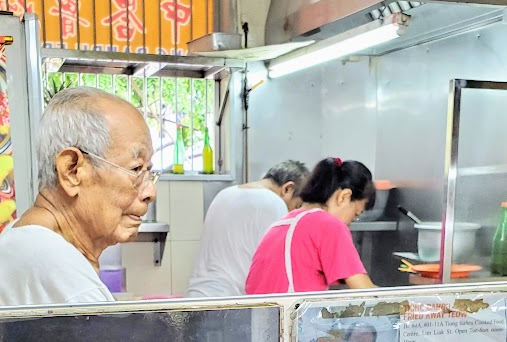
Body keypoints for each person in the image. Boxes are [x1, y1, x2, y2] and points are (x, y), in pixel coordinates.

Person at [0, 87, 157, 307]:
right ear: (71, 170)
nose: (150, 192)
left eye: (149, 170)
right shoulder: (62, 277)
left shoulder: (23, 237)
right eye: (136, 169)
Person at [245, 157, 376, 295]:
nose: (350, 223)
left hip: (261, 315)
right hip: (293, 315)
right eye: (356, 214)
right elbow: (365, 291)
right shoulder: (329, 225)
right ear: (344, 196)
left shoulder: (283, 222)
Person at [186, 160, 309, 298]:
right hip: (231, 303)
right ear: (288, 188)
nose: (294, 211)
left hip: (197, 296)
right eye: (297, 205)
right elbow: (281, 266)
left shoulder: (224, 194)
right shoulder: (274, 203)